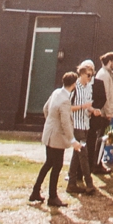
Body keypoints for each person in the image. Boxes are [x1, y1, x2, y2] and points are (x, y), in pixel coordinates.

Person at [30, 70, 77, 207]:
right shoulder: (65, 101)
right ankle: (53, 197)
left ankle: (35, 191)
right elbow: (65, 123)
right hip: (57, 138)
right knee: (57, 166)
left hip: (49, 133)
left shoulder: (56, 92)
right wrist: (72, 140)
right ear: (73, 84)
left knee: (48, 163)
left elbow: (46, 109)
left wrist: (51, 124)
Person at [67, 60, 99, 195]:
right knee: (83, 153)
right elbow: (67, 107)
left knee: (77, 153)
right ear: (81, 74)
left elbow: (87, 104)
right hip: (77, 125)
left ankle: (71, 182)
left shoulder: (88, 87)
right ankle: (89, 183)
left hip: (85, 124)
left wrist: (92, 110)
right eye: (88, 75)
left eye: (91, 75)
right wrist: (83, 107)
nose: (90, 78)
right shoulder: (75, 87)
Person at [90, 52, 113, 175]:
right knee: (100, 138)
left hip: (106, 112)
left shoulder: (106, 74)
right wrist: (108, 113)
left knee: (102, 138)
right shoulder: (104, 75)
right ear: (110, 61)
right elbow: (105, 95)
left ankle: (97, 162)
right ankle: (96, 164)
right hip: (104, 113)